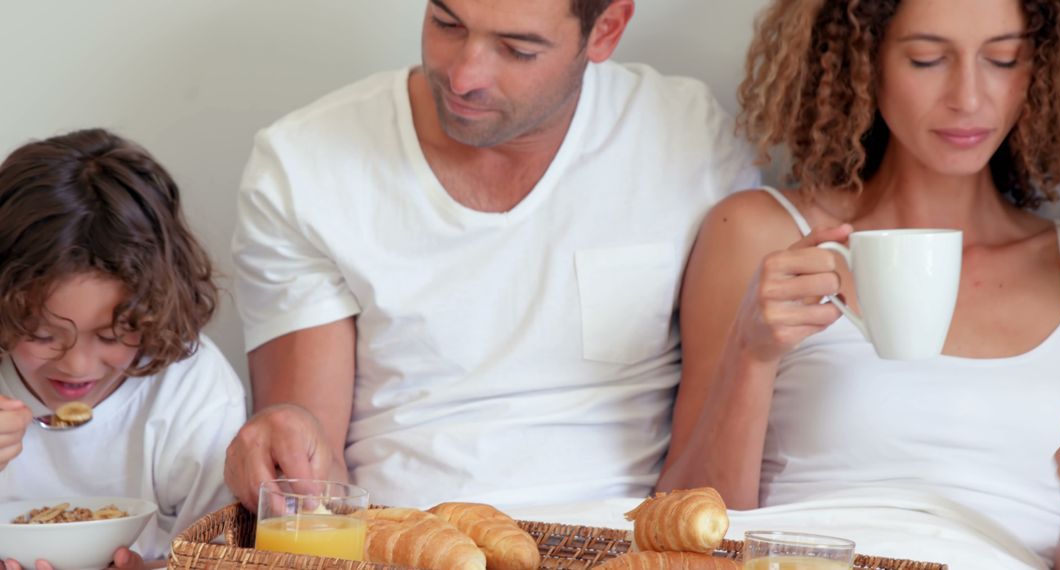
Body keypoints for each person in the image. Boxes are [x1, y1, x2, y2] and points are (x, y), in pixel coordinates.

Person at [226, 0, 759, 511]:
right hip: (405, 543)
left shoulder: (692, 141)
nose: (463, 76)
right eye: (446, 23)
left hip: (625, 547)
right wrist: (281, 442)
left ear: (606, 30)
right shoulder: (304, 164)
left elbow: (707, 489)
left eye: (518, 49)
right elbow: (313, 479)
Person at [658, 0, 1060, 567]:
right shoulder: (762, 233)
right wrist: (750, 355)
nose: (970, 98)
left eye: (1004, 60)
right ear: (861, 62)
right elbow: (685, 528)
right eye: (927, 59)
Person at [0, 129, 247, 568]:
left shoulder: (189, 388)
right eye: (40, 334)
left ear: (156, 310)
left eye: (113, 335)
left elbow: (220, 558)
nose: (77, 365)